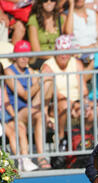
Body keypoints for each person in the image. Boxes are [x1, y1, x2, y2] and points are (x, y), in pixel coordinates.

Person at [41, 34, 89, 165]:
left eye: (67, 52)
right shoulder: (47, 66)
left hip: (75, 103)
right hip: (55, 105)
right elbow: (56, 95)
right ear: (56, 52)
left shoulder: (77, 63)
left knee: (95, 111)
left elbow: (84, 89)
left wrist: (83, 105)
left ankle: (85, 142)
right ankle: (61, 140)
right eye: (61, 52)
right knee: (64, 106)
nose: (64, 56)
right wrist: (73, 105)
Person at [5, 39, 51, 170]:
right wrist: (41, 80)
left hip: (30, 108)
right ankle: (38, 156)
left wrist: (43, 79)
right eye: (21, 55)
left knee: (49, 81)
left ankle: (41, 156)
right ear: (14, 56)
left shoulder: (29, 71)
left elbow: (39, 89)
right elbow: (24, 95)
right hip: (16, 112)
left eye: (27, 55)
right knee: (45, 81)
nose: (25, 59)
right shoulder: (9, 72)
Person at [0, 59, 31, 163]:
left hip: (3, 114)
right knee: (11, 133)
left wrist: (15, 116)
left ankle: (26, 157)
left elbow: (6, 102)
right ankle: (19, 159)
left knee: (21, 128)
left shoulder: (2, 86)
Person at [27, 0, 71, 70]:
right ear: (40, 2)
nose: (49, 2)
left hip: (59, 59)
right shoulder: (33, 19)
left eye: (52, 0)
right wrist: (56, 57)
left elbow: (69, 34)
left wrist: (72, 5)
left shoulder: (59, 19)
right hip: (41, 60)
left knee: (75, 64)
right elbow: (36, 51)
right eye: (45, 0)